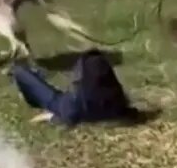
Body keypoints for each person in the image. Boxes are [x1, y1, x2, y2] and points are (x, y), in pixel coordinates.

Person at [9, 50, 141, 127]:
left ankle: (19, 72)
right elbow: (132, 113)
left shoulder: (74, 106)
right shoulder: (118, 102)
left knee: (22, 73)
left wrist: (50, 117)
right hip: (79, 105)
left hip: (71, 105)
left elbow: (68, 117)